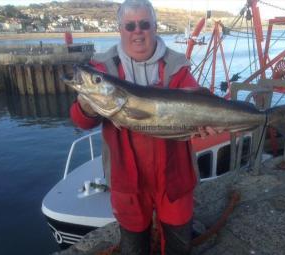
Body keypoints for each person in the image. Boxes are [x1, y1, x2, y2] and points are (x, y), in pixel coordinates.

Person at [70, 0, 201, 254]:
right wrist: (87, 107)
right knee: (133, 247)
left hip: (174, 174)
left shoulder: (177, 66)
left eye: (144, 24)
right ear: (120, 29)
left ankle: (263, 119)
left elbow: (198, 104)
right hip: (127, 179)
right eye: (130, 26)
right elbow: (80, 120)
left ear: (154, 27)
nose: (137, 31)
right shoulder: (102, 69)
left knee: (179, 245)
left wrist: (204, 126)